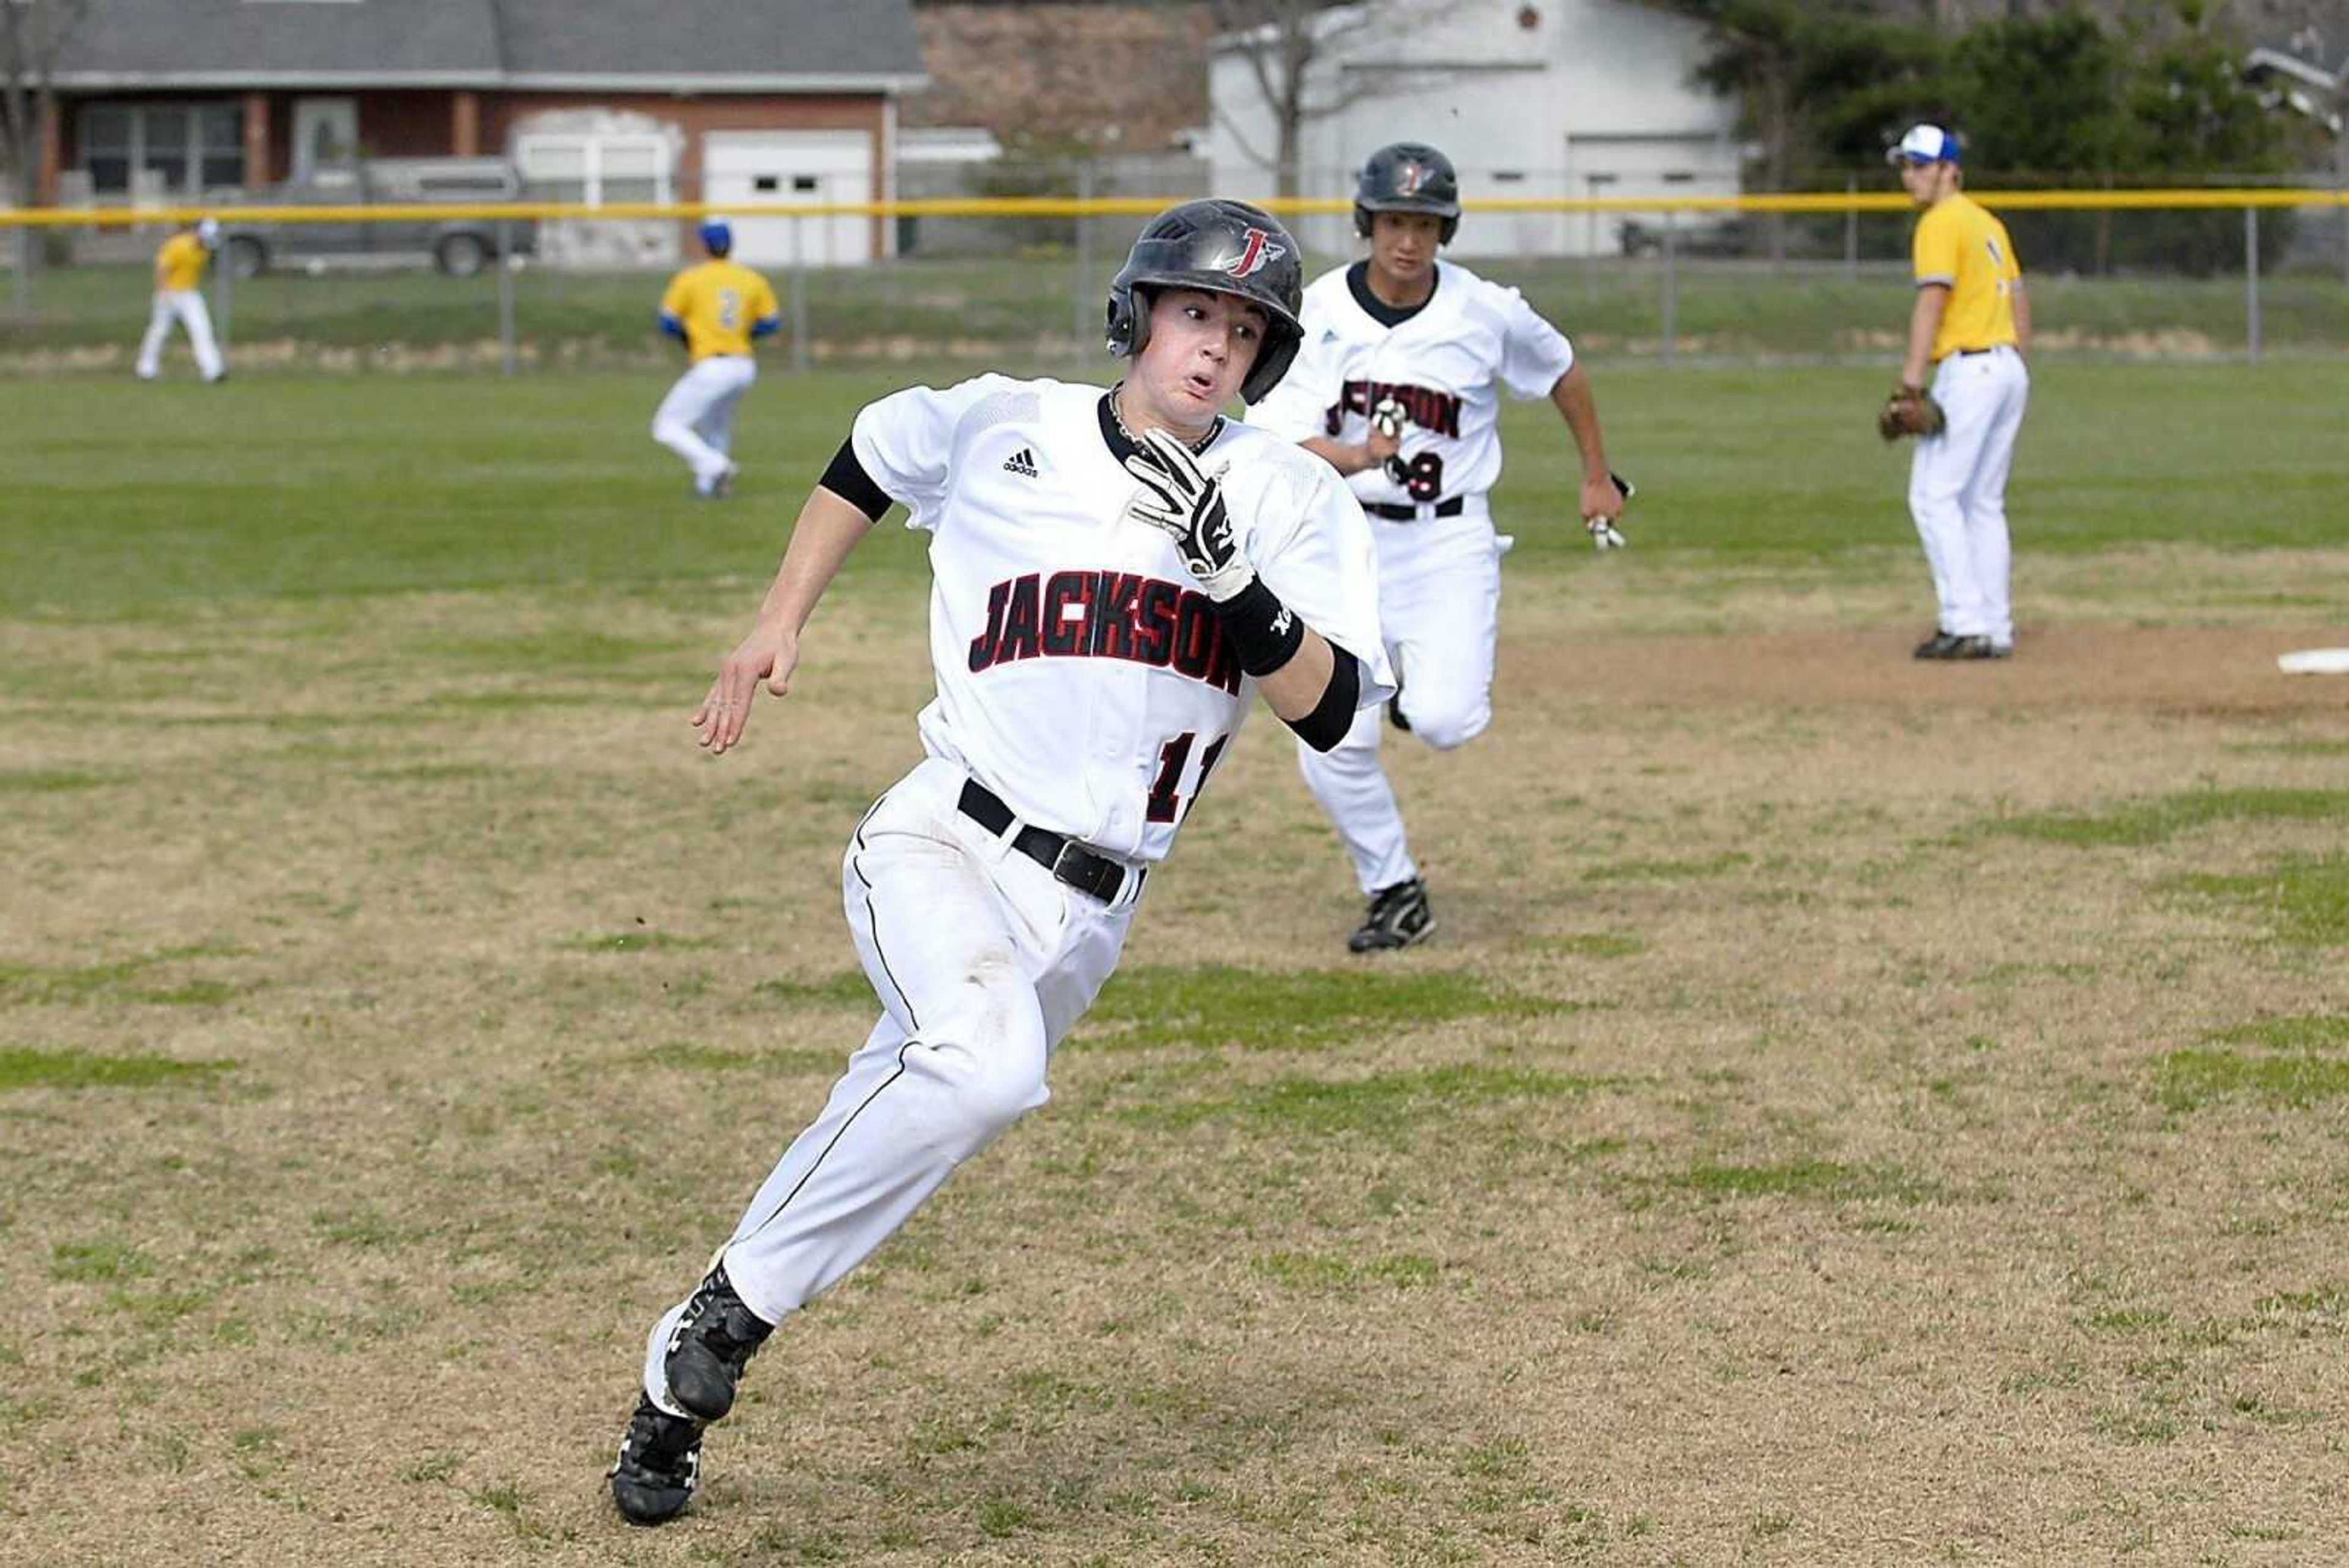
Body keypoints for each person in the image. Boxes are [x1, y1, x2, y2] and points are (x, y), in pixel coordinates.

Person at [606, 198, 1391, 1527]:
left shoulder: (1286, 495)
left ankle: (691, 1366)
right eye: (1194, 312)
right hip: (944, 836)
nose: (1211, 350)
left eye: (1244, 332)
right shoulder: (1004, 421)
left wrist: (1236, 583)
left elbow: (1334, 710)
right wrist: (774, 622)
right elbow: (866, 454)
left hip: (1091, 911)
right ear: (1138, 312)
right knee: (984, 1067)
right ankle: (725, 1321)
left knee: (902, 1108)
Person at [1248, 141, 1628, 953]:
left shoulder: (1485, 311)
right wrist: (1358, 456)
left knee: (1449, 719)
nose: (1407, 240)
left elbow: (1562, 370)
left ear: (1445, 229)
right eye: (1393, 220)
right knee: (1328, 734)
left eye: (1424, 223)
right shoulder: (1317, 313)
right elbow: (1282, 439)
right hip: (1341, 541)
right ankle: (1393, 886)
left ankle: (1408, 699)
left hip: (1449, 535)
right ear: (1367, 223)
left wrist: (1596, 474)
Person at [1886, 124, 2028, 661]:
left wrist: (1911, 380)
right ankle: (1995, 624)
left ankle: (1965, 621)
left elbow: (1933, 300)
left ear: (1951, 170)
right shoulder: (1986, 222)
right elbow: (2017, 296)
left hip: (1971, 369)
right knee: (1983, 502)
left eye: (1921, 166)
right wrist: (2019, 364)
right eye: (1906, 165)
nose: (1911, 176)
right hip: (2005, 366)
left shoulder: (1942, 222)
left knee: (1933, 495)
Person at [652, 219, 781, 499]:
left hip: (712, 365)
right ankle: (709, 487)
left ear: (704, 245)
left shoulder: (692, 278)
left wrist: (690, 339)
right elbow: (770, 322)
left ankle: (717, 466)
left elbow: (668, 322)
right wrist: (744, 333)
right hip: (743, 365)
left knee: (666, 426)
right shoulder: (750, 278)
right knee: (716, 426)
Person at [135, 216, 225, 382]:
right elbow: (162, 268)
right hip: (169, 293)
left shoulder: (204, 250)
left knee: (202, 330)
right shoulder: (178, 245)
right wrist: (163, 293)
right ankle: (146, 370)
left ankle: (213, 371)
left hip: (189, 295)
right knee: (159, 332)